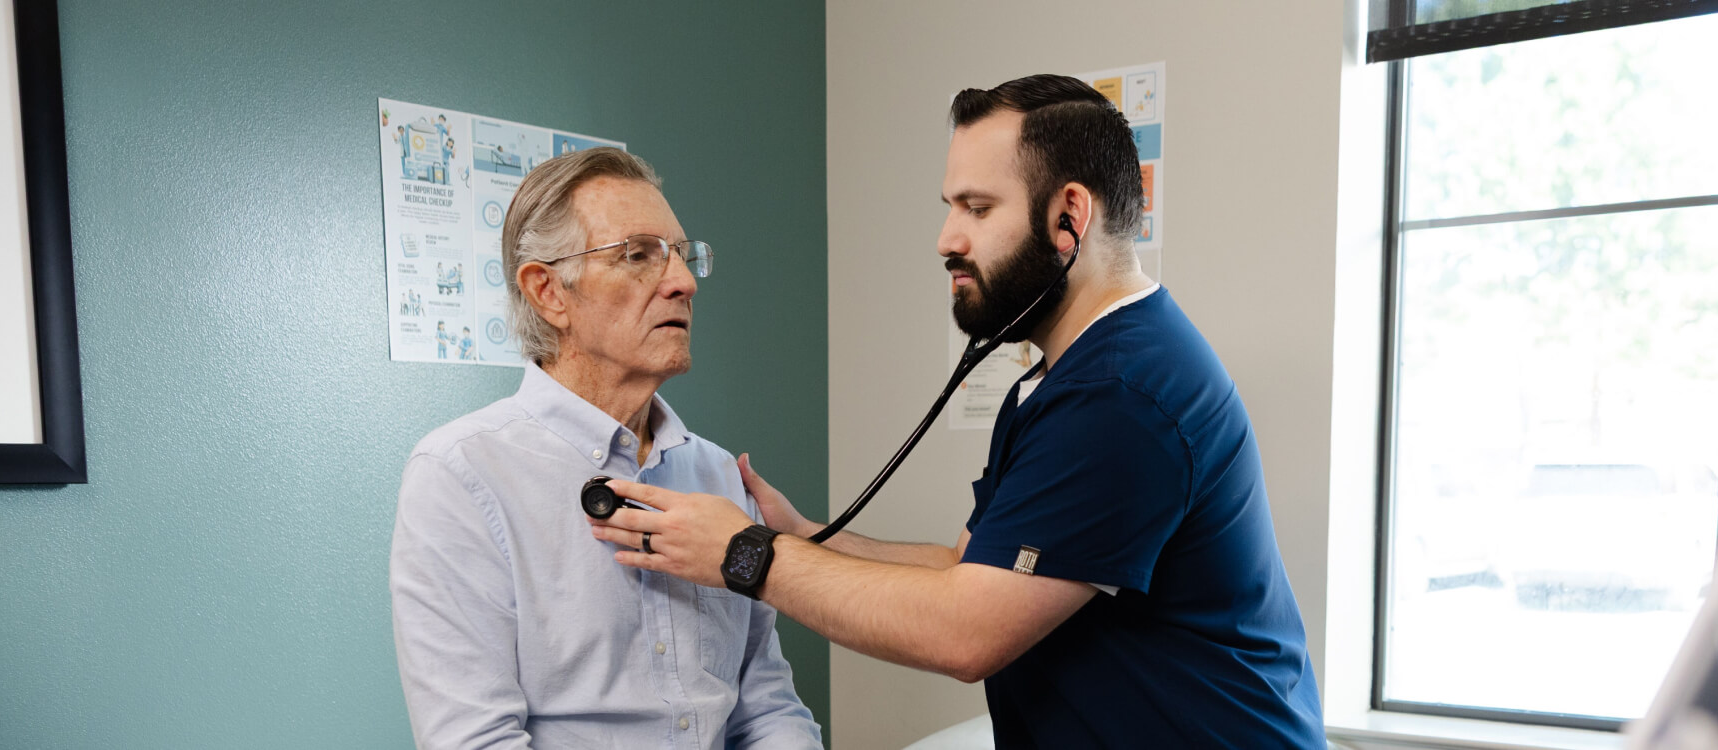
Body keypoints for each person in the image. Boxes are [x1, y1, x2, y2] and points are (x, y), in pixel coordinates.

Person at [590, 74, 1327, 748]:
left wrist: (742, 555)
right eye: (950, 207)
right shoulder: (1057, 378)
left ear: (1070, 215)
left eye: (977, 207)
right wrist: (804, 536)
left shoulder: (1124, 395)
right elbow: (966, 566)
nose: (947, 238)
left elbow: (966, 633)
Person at [390, 147, 821, 750]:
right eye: (638, 256)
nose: (684, 282)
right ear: (549, 292)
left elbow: (767, 710)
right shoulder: (460, 477)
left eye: (680, 255)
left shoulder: (720, 476)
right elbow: (476, 741)